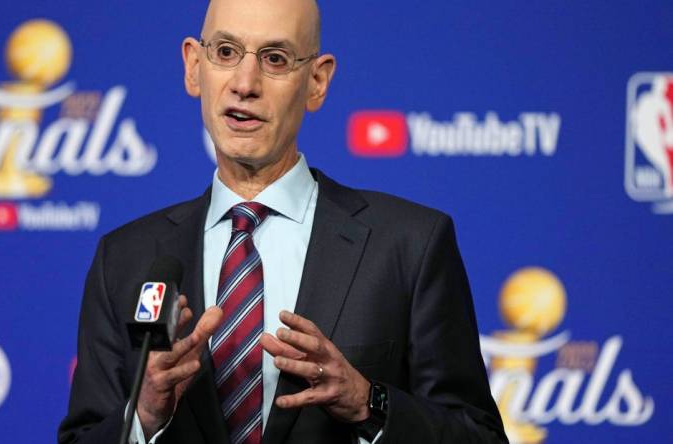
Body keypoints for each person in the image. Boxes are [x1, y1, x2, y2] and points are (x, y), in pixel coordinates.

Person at [59, 0, 507, 443]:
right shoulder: (124, 258)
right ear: (194, 66)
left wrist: (369, 404)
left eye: (275, 59)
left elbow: (479, 436)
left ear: (317, 80)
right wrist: (142, 418)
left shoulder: (409, 245)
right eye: (227, 52)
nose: (245, 83)